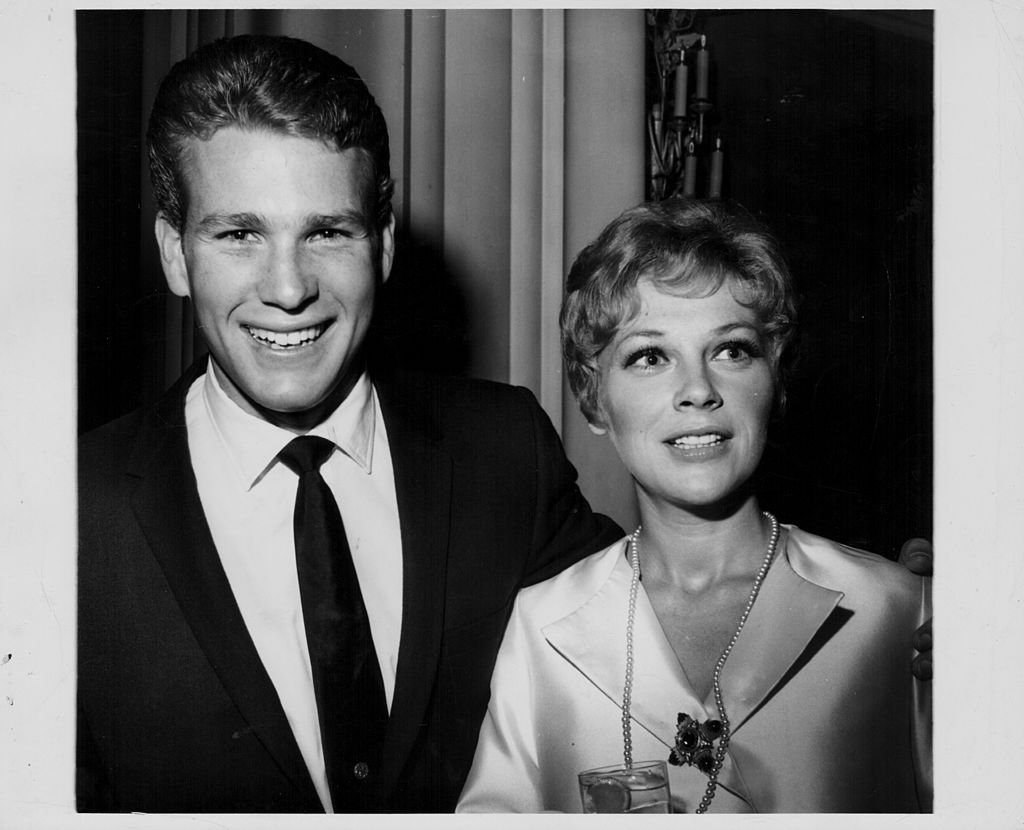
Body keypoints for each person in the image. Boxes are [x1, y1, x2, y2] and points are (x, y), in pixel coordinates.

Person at [75, 34, 621, 814]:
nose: (289, 288)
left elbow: (650, 675)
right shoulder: (66, 513)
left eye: (327, 231)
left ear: (384, 243)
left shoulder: (506, 451)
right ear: (174, 253)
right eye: (239, 235)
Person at [456, 198, 932, 813]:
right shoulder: (540, 627)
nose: (699, 391)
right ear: (594, 399)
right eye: (650, 357)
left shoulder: (898, 609)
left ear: (776, 380)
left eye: (731, 350)